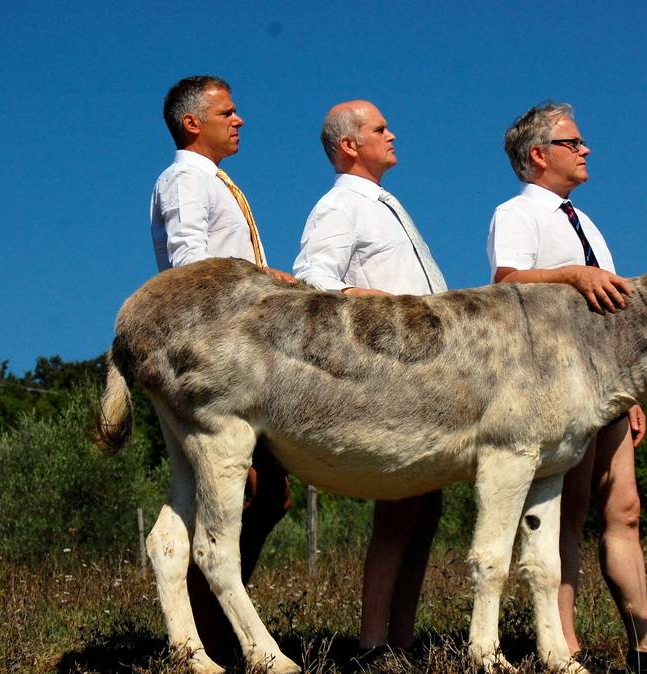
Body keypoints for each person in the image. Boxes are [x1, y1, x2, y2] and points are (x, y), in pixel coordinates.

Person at [487, 102, 647, 674]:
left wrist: (630, 394)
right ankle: (563, 648)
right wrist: (572, 274)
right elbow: (505, 283)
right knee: (568, 512)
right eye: (573, 142)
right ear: (539, 155)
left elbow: (614, 317)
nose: (586, 150)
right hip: (559, 390)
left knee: (626, 510)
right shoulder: (516, 213)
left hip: (608, 390)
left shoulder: (585, 222)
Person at [293, 100, 445, 663]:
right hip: (392, 371)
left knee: (426, 508)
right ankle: (372, 644)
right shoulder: (339, 205)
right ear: (350, 145)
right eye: (380, 128)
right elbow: (313, 280)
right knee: (400, 506)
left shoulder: (386, 203)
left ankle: (402, 639)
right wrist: (380, 303)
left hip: (430, 370)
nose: (392, 133)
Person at [150, 74, 295, 655]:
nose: (239, 121)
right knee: (246, 492)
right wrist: (259, 280)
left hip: (236, 351)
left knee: (261, 494)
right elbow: (190, 267)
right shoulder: (186, 179)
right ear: (193, 122)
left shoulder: (211, 180)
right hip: (215, 357)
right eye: (227, 113)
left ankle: (208, 635)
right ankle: (211, 633)